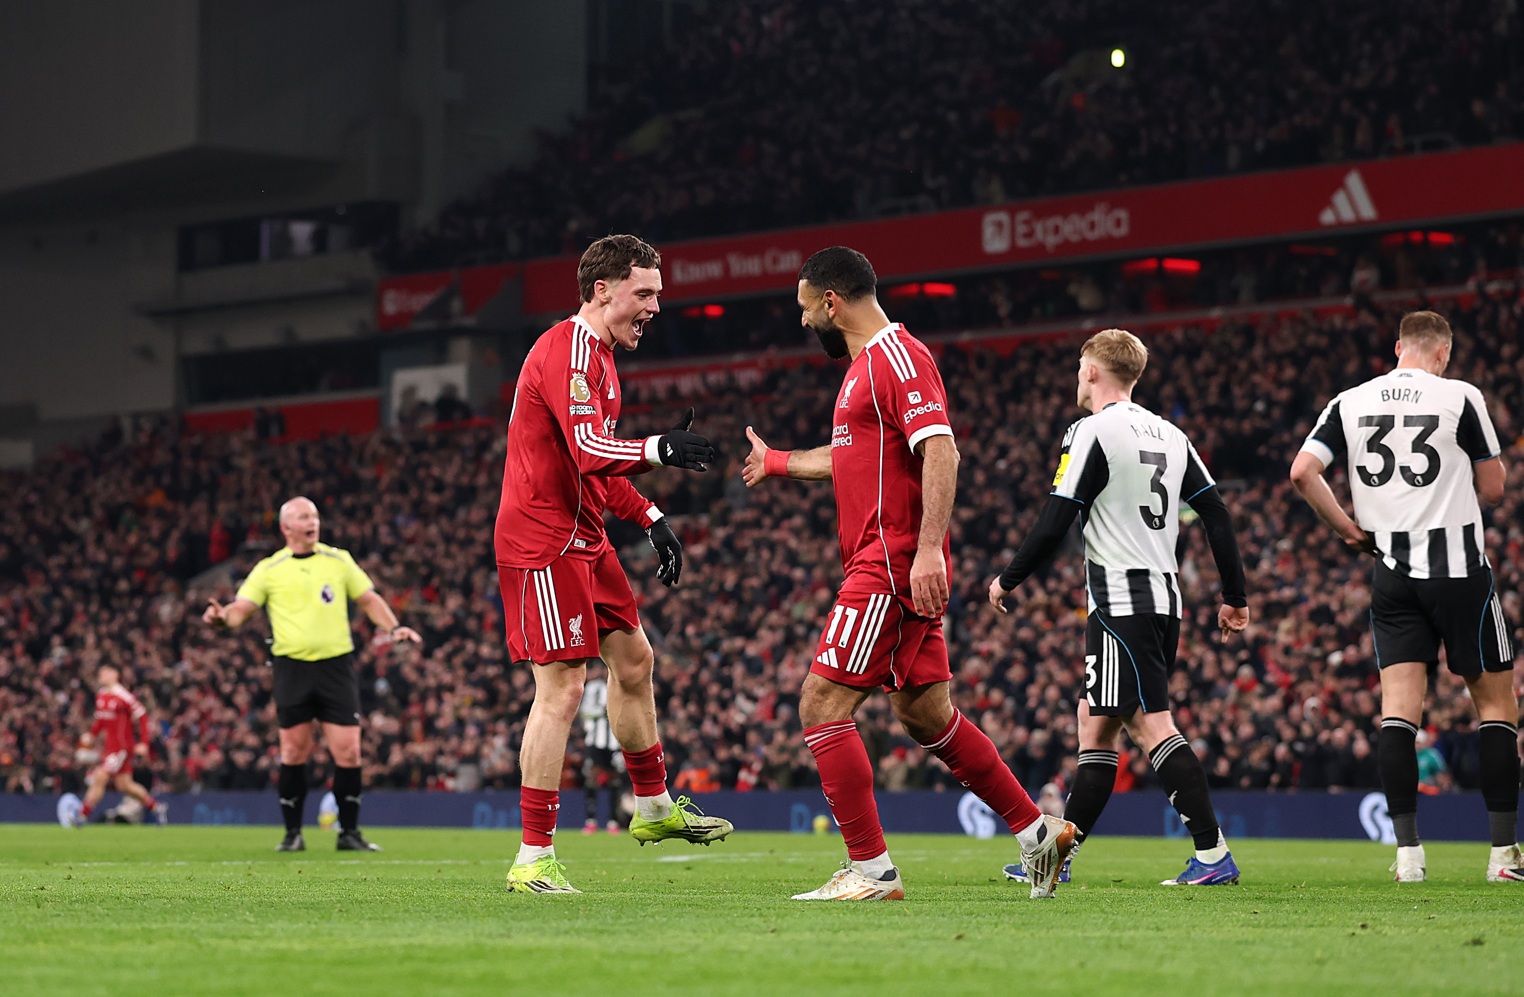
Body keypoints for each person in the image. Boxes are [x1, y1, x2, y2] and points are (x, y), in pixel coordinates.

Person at [743, 246, 1075, 901]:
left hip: (889, 564)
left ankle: (869, 869)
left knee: (821, 704)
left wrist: (927, 550)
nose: (807, 325)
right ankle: (1037, 833)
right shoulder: (865, 370)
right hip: (893, 563)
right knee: (926, 714)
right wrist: (779, 463)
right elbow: (850, 460)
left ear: (832, 302)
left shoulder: (897, 356)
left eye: (808, 311)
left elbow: (941, 449)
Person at [496, 233, 733, 895]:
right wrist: (660, 446)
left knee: (634, 660)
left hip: (586, 534)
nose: (656, 306)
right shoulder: (568, 348)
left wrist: (652, 519)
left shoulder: (601, 358)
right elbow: (590, 446)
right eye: (645, 292)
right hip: (542, 540)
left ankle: (653, 806)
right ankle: (532, 857)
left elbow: (593, 465)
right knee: (563, 689)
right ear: (602, 290)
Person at [987, 328, 1250, 893]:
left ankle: (1212, 853)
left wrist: (1009, 578)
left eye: (1079, 365)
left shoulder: (1091, 431)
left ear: (1091, 372)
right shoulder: (1172, 435)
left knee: (1150, 724)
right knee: (1095, 723)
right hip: (1163, 600)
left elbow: (1059, 514)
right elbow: (1218, 515)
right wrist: (1235, 597)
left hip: (1119, 602)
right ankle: (1058, 856)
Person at [1290, 309, 1522, 883]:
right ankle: (1502, 858)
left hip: (1391, 574)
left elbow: (1301, 472)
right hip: (1460, 571)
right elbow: (1494, 490)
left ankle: (1409, 858)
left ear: (1399, 347)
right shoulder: (1460, 396)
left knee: (1399, 713)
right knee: (1495, 707)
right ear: (1441, 354)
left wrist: (1346, 527)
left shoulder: (1349, 401)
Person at [202, 496, 421, 852]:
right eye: (304, 516)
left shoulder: (338, 560)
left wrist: (394, 627)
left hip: (336, 666)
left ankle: (349, 833)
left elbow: (368, 599)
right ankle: (292, 834)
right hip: (292, 668)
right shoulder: (270, 569)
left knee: (349, 752)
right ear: (286, 527)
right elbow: (240, 610)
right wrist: (221, 618)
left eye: (315, 516)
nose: (313, 522)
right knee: (293, 751)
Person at [63, 665, 167, 827]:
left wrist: (144, 743)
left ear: (115, 674)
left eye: (105, 672)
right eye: (100, 673)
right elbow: (101, 721)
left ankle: (81, 816)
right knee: (124, 785)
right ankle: (156, 808)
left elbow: (143, 716)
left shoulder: (123, 695)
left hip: (122, 747)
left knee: (100, 776)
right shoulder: (102, 695)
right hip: (109, 748)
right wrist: (92, 734)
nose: (101, 675)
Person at [578, 664, 626, 834]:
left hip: (614, 741)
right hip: (595, 741)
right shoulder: (591, 688)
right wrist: (602, 711)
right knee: (592, 779)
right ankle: (591, 820)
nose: (599, 672)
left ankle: (613, 820)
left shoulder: (619, 685)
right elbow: (583, 711)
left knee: (615, 781)